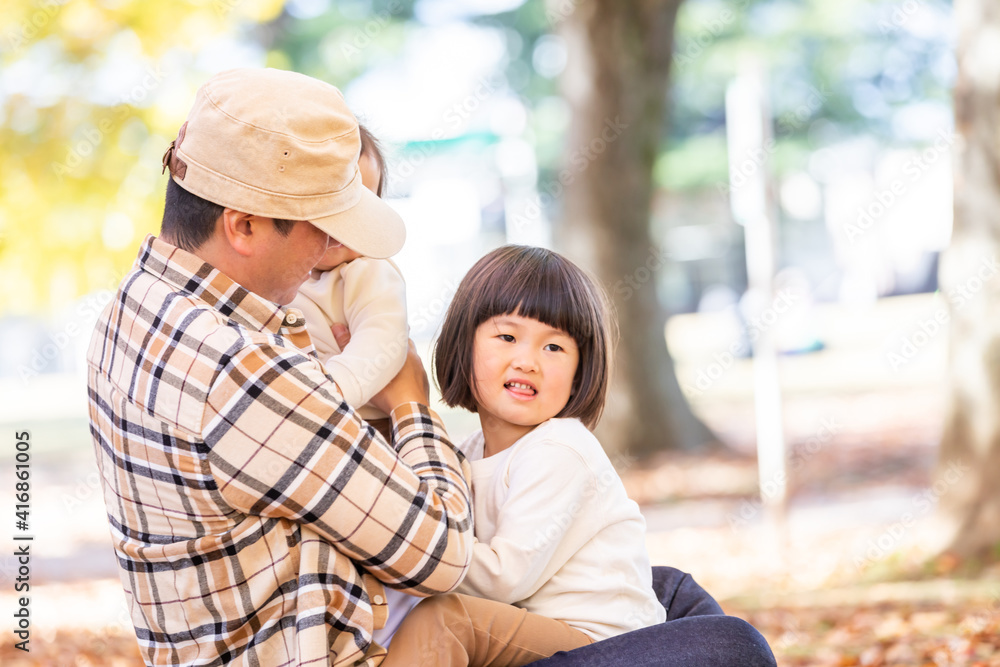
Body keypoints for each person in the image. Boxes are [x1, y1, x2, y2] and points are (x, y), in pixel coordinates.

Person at [85, 67, 474, 667]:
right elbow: (442, 555)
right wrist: (411, 404)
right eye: (324, 228)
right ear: (243, 225)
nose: (331, 253)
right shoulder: (241, 371)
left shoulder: (131, 308)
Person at [382, 246, 777, 667]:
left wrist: (409, 549)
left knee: (445, 621)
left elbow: (502, 579)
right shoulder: (464, 454)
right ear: (464, 343)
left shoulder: (559, 448)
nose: (527, 361)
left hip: (600, 645)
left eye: (554, 347)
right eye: (507, 337)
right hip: (535, 632)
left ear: (578, 373)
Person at [291, 124, 407, 441]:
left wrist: (335, 389)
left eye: (361, 207)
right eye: (329, 203)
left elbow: (383, 336)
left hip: (364, 423)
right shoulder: (283, 274)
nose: (344, 221)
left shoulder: (368, 270)